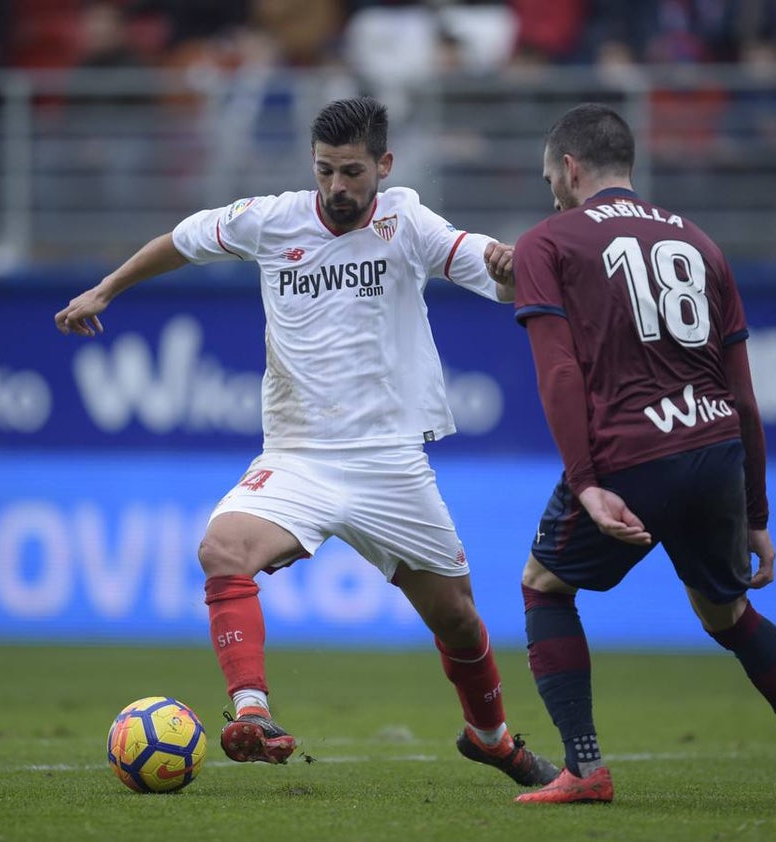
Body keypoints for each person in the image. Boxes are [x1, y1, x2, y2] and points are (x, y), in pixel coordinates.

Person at [54, 96, 558, 788]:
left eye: (351, 172)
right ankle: (252, 713)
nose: (336, 187)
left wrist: (506, 265)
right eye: (324, 171)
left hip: (389, 464)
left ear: (384, 164)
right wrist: (107, 290)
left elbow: (480, 263)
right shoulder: (271, 219)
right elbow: (183, 239)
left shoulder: (407, 221)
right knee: (222, 549)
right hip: (299, 458)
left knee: (460, 622)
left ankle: (491, 739)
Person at [509, 103, 776, 805]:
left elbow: (558, 372)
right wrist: (756, 513)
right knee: (727, 614)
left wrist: (585, 482)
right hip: (714, 448)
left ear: (571, 168)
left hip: (630, 452)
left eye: (550, 177)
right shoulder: (701, 243)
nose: (551, 193)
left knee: (544, 584)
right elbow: (744, 395)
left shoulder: (547, 242)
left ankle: (585, 769)